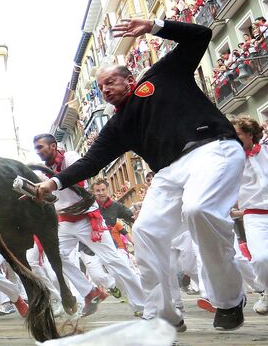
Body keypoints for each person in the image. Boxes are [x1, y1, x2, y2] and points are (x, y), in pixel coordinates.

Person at [35, 18, 246, 332]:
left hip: (213, 148)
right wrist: (53, 181)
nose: (105, 90)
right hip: (168, 173)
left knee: (198, 209)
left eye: (110, 83)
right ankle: (166, 315)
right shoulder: (119, 125)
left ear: (129, 78)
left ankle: (229, 301)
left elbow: (201, 35)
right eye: (101, 87)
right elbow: (90, 162)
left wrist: (154, 26)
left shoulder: (163, 74)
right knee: (147, 232)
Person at [33, 134, 145, 317]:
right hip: (66, 222)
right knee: (55, 257)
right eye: (36, 148)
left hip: (88, 219)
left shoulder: (70, 158)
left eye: (40, 147)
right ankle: (90, 292)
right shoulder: (46, 170)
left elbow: (79, 173)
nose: (37, 152)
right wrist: (35, 191)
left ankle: (142, 306)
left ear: (53, 146)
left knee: (115, 262)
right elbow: (53, 196)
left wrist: (50, 183)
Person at [230, 115, 268, 315]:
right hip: (254, 215)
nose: (233, 139)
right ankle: (267, 291)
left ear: (249, 134)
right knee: (261, 258)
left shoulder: (266, 149)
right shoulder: (232, 161)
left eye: (237, 134)